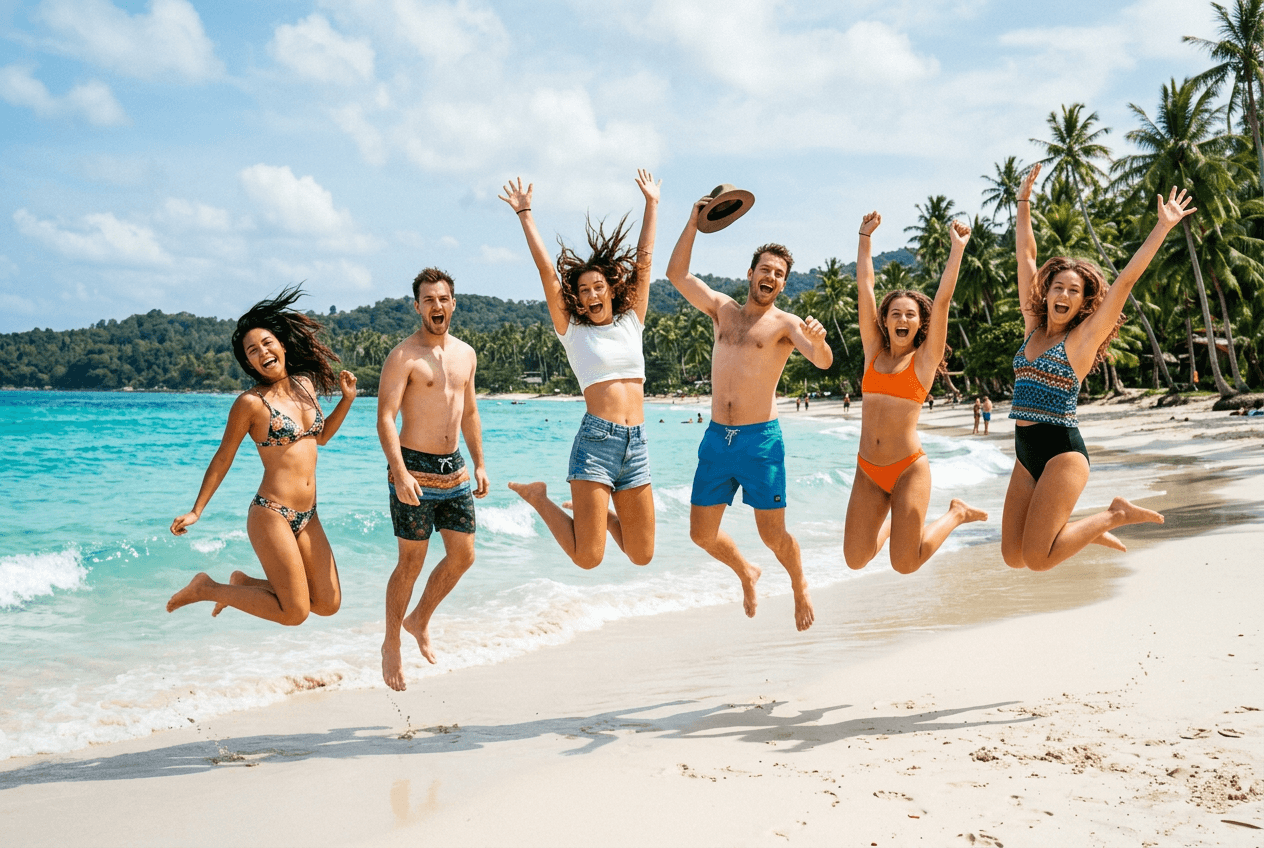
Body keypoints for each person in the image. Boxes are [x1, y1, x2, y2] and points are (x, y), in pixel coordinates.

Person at [1002, 163, 1192, 571]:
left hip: (1061, 452)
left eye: (1075, 290)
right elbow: (1026, 256)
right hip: (1024, 450)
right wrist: (1023, 200)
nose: (1065, 294)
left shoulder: (1081, 340)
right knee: (1012, 555)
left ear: (1083, 301)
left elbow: (1124, 282)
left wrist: (1162, 227)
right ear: (1047, 291)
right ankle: (1080, 528)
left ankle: (1116, 514)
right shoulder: (1032, 327)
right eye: (1058, 287)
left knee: (1036, 559)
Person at [666, 194, 833, 630]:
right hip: (718, 439)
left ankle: (799, 585)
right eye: (765, 270)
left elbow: (824, 361)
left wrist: (817, 338)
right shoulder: (723, 311)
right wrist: (692, 220)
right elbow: (677, 274)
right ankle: (746, 571)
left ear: (782, 285)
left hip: (760, 441)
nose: (771, 278)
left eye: (779, 275)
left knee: (773, 535)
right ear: (751, 274)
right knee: (701, 534)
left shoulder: (785, 325)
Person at [499, 170, 659, 570]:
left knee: (642, 555)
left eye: (598, 286)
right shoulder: (573, 330)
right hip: (596, 444)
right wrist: (525, 214)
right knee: (588, 558)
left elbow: (643, 264)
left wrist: (651, 204)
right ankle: (539, 497)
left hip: (636, 444)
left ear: (610, 288)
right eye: (584, 289)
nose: (592, 293)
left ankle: (601, 512)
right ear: (579, 298)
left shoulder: (631, 322)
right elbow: (546, 274)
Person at [167, 287, 357, 624]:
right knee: (296, 612)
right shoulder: (250, 404)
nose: (262, 352)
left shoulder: (305, 385)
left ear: (281, 346)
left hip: (308, 514)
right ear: (248, 362)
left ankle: (244, 584)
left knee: (327, 603)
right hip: (272, 514)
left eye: (267, 343)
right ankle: (208, 587)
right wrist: (197, 511)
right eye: (252, 351)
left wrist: (347, 399)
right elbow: (224, 456)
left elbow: (321, 437)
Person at [843, 213, 987, 575]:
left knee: (905, 563)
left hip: (908, 469)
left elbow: (942, 302)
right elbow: (866, 289)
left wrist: (957, 249)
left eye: (910, 315)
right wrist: (864, 238)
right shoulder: (873, 351)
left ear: (919, 323)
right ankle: (898, 514)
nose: (902, 320)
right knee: (855, 558)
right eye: (895, 314)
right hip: (867, 469)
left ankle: (956, 513)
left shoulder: (923, 361)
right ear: (885, 320)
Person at [378, 267, 490, 691]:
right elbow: (385, 417)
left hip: (454, 467)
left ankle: (419, 617)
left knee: (463, 555)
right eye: (428, 300)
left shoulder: (466, 354)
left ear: (453, 302)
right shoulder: (403, 356)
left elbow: (471, 411)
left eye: (442, 299)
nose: (436, 306)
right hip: (414, 468)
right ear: (417, 306)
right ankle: (391, 642)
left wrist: (479, 462)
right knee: (411, 560)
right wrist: (400, 472)